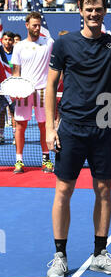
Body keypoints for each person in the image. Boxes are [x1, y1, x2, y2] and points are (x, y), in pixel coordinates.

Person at [45, 0, 111, 277]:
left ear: (104, 12)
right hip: (71, 129)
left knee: (103, 190)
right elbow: (50, 86)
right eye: (89, 9)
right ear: (80, 10)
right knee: (63, 191)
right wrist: (51, 128)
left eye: (99, 9)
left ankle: (100, 254)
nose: (94, 14)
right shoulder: (64, 43)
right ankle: (60, 256)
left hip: (104, 126)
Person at [10, 12, 54, 174]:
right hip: (24, 91)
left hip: (43, 91)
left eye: (39, 25)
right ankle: (19, 161)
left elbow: (56, 64)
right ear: (27, 25)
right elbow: (16, 72)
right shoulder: (19, 46)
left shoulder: (49, 43)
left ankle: (46, 160)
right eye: (34, 25)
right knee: (20, 125)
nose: (37, 28)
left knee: (44, 125)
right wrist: (16, 89)